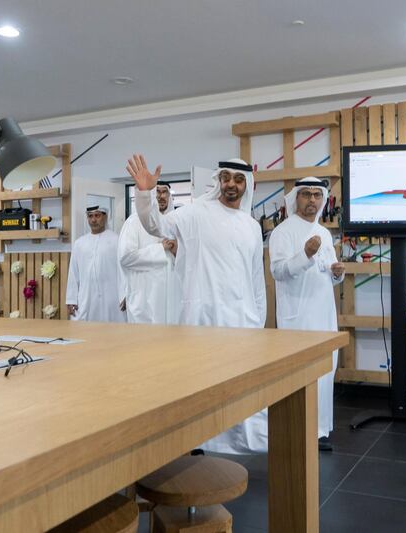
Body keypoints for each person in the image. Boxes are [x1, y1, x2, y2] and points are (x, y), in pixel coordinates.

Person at [127, 154, 267, 454]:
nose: (231, 184)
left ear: (247, 185)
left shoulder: (252, 226)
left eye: (238, 179)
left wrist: (259, 321)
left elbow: (256, 279)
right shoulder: (196, 213)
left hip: (241, 319)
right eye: (226, 177)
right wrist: (145, 193)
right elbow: (157, 225)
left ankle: (237, 440)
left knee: (237, 387)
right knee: (201, 384)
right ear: (218, 181)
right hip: (202, 315)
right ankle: (198, 441)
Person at [269, 178, 345, 451]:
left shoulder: (324, 233)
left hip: (324, 314)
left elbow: (327, 271)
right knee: (302, 374)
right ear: (295, 199)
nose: (312, 200)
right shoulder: (283, 232)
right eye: (306, 195)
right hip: (298, 317)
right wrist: (305, 254)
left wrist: (338, 273)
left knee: (326, 370)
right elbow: (278, 271)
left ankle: (320, 429)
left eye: (316, 195)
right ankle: (300, 430)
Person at [117, 181, 181, 324]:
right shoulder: (134, 222)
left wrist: (177, 250)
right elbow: (126, 257)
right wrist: (160, 249)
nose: (161, 196)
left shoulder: (177, 222)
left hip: (173, 296)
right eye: (157, 192)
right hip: (145, 298)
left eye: (165, 192)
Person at [66, 206, 125, 322]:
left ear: (105, 217)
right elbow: (73, 273)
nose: (93, 220)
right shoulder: (79, 243)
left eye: (97, 216)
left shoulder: (117, 240)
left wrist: (125, 294)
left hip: (112, 297)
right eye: (90, 216)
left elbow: (124, 271)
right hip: (86, 298)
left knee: (113, 331)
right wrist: (71, 299)